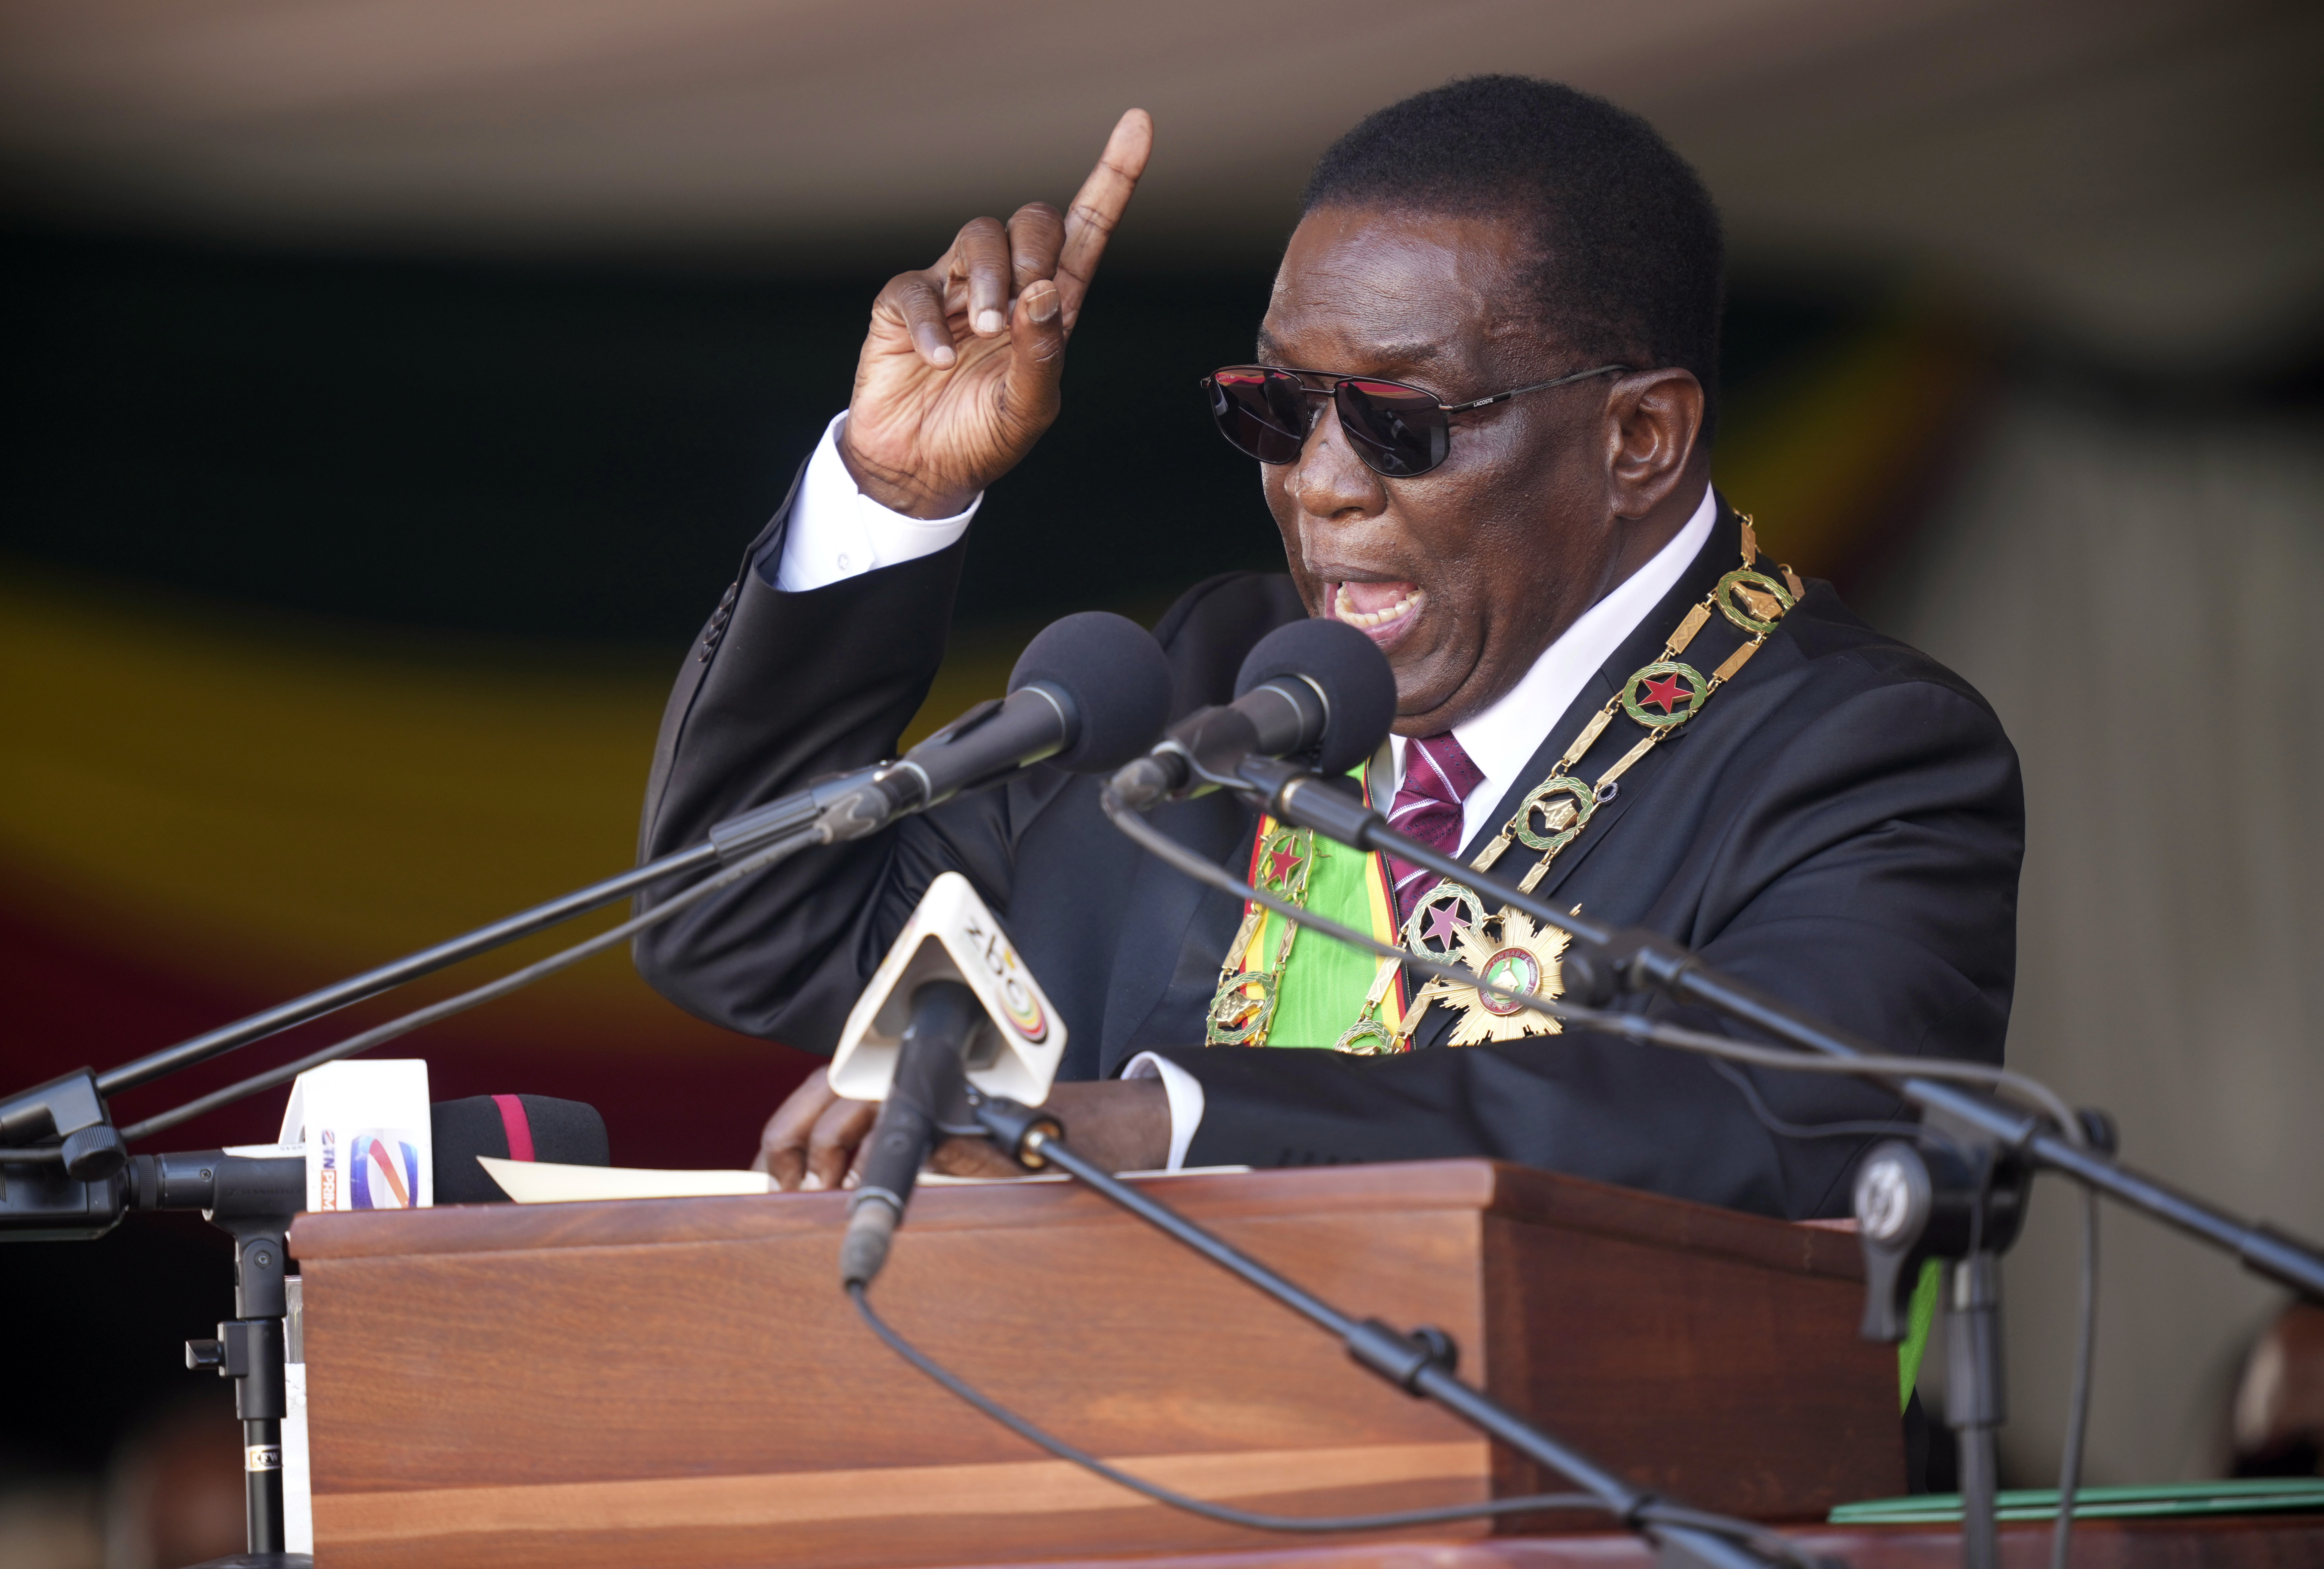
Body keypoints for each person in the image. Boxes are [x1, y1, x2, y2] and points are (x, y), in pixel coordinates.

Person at [633, 77, 2023, 1222]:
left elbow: (1781, 1123)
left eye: (1403, 423)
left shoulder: (1861, 757)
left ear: (1638, 441)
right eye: (1282, 410)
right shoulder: (1194, 687)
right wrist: (895, 491)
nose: (1322, 483)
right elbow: (740, 918)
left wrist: (1168, 1122)